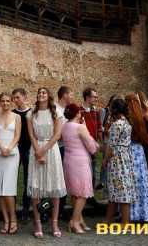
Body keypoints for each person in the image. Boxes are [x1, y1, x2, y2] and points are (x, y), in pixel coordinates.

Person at [27, 87, 66, 239]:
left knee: (54, 187)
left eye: (43, 92)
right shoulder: (32, 113)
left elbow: (57, 135)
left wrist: (43, 150)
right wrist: (38, 151)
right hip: (36, 149)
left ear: (48, 96)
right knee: (36, 188)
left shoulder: (56, 112)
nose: (41, 94)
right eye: (39, 93)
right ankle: (38, 223)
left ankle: (54, 223)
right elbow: (31, 135)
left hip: (51, 149)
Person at [62, 103, 98, 234]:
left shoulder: (65, 126)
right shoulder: (80, 127)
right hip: (80, 162)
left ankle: (80, 219)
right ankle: (74, 221)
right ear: (77, 114)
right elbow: (91, 146)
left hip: (69, 160)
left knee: (75, 192)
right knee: (83, 193)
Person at [101, 98, 137, 225]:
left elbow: (111, 144)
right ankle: (114, 219)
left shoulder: (117, 125)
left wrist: (105, 159)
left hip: (117, 158)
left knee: (117, 188)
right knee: (122, 188)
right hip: (126, 155)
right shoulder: (126, 122)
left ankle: (123, 221)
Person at [0, 92, 21, 234]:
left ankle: (13, 218)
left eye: (8, 101)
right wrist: (2, 147)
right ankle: (6, 220)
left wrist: (9, 148)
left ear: (11, 102)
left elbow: (17, 135)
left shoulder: (17, 117)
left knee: (8, 188)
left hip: (12, 153)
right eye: (3, 101)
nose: (5, 103)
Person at [124, 93, 148, 222]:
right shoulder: (137, 116)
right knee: (140, 181)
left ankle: (135, 212)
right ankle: (144, 211)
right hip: (139, 150)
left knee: (133, 181)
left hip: (133, 149)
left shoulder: (132, 117)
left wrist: (138, 138)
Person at [11, 87, 32, 224]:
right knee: (12, 180)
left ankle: (25, 210)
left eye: (17, 97)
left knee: (27, 182)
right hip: (15, 151)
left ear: (24, 97)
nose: (15, 100)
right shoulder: (12, 114)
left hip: (29, 150)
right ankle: (11, 210)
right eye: (14, 98)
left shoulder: (31, 113)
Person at [79, 87, 102, 204]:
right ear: (88, 98)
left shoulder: (96, 112)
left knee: (93, 171)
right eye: (94, 97)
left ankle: (91, 195)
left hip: (93, 146)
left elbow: (99, 128)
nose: (96, 99)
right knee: (84, 172)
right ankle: (82, 194)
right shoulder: (79, 112)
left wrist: (101, 142)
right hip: (83, 146)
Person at [54, 86, 73, 222]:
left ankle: (61, 207)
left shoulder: (68, 109)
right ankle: (53, 208)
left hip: (68, 147)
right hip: (57, 147)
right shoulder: (55, 109)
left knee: (64, 179)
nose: (72, 97)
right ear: (65, 95)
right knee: (57, 178)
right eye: (71, 94)